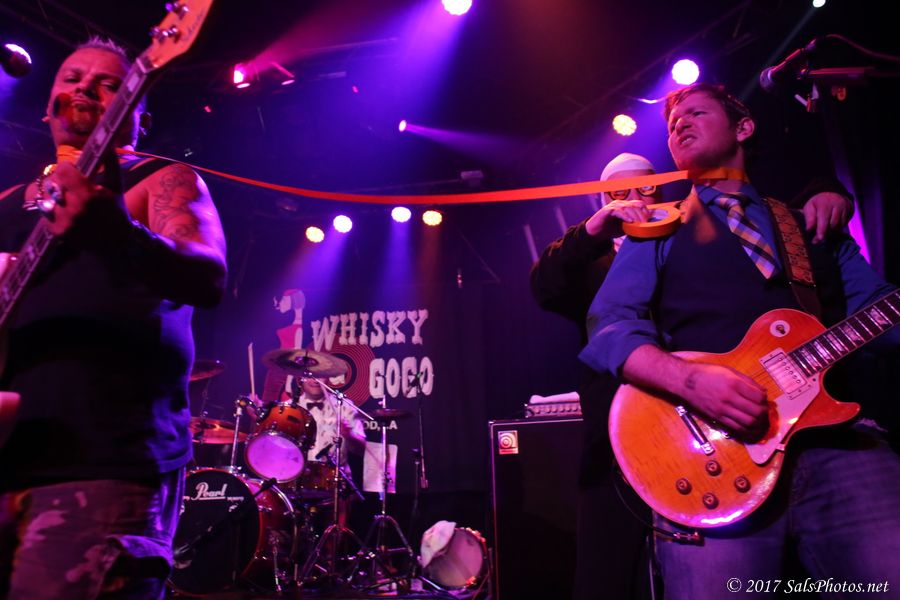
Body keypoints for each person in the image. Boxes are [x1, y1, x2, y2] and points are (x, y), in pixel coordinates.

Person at [579, 82, 900, 596]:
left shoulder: (808, 224)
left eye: (696, 113)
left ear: (744, 127)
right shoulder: (659, 226)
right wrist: (690, 382)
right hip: (712, 456)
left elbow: (881, 313)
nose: (679, 124)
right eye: (673, 123)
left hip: (839, 444)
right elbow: (611, 323)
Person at [531, 152, 853, 600]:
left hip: (709, 435)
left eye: (646, 187)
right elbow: (545, 285)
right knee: (607, 575)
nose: (635, 198)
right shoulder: (593, 259)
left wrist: (825, 189)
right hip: (620, 440)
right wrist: (591, 231)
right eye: (619, 192)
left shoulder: (690, 237)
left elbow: (761, 226)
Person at [0, 38, 227, 599]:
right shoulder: (6, 203)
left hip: (103, 462)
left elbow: (208, 275)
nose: (84, 87)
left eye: (107, 84)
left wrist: (117, 232)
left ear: (136, 113)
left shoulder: (162, 179)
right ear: (47, 105)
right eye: (72, 77)